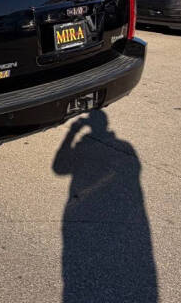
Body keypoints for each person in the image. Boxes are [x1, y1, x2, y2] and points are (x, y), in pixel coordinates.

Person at [53, 109, 158, 302]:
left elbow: (59, 168)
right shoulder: (125, 147)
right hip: (127, 219)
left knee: (78, 270)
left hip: (82, 214)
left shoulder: (87, 147)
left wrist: (72, 133)